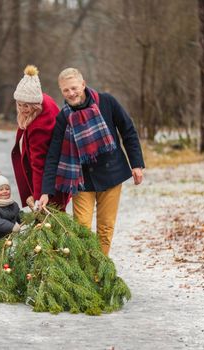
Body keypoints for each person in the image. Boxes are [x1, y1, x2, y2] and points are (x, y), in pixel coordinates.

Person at [39, 68, 145, 256]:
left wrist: (136, 164)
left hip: (112, 174)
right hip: (82, 180)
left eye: (74, 88)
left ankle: (100, 271)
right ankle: (87, 273)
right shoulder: (64, 117)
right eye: (66, 90)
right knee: (81, 230)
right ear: (61, 91)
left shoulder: (106, 102)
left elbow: (128, 130)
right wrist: (46, 191)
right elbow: (53, 155)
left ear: (83, 84)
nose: (71, 93)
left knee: (105, 228)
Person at [11, 65, 70, 211]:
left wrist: (39, 196)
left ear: (36, 104)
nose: (23, 109)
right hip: (59, 169)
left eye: (27, 106)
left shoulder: (39, 127)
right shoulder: (45, 100)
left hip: (51, 180)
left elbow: (39, 163)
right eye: (19, 105)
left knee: (51, 215)